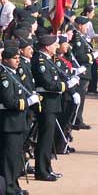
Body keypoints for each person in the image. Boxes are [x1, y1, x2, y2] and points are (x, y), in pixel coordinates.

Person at [31, 35, 77, 181]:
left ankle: (47, 167)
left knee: (48, 137)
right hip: (46, 103)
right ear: (46, 47)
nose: (56, 47)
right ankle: (41, 170)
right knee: (45, 138)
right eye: (54, 45)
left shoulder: (48, 60)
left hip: (53, 102)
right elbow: (49, 84)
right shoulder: (40, 61)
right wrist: (67, 85)